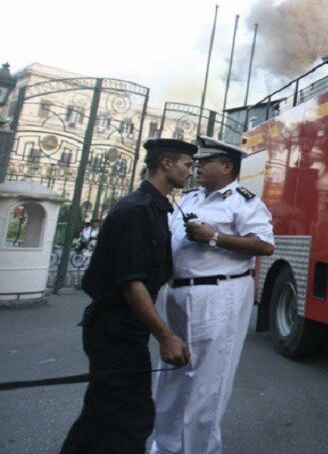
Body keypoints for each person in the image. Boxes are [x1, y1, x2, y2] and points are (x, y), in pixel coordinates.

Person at [60, 138, 198, 454]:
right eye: (187, 165)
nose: (191, 172)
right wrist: (166, 337)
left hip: (121, 330)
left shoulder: (153, 208)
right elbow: (132, 284)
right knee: (129, 419)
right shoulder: (137, 211)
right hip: (115, 330)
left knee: (101, 416)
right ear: (167, 164)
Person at [151, 135, 274, 454]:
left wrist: (215, 237)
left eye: (206, 162)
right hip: (177, 293)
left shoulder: (244, 202)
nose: (198, 167)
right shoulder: (190, 199)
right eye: (198, 161)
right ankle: (165, 447)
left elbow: (264, 245)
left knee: (207, 384)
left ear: (227, 166)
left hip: (218, 295)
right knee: (170, 376)